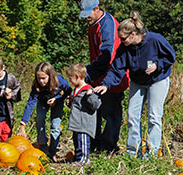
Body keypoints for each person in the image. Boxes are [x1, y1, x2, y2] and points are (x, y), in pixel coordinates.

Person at [93, 11, 176, 158]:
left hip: (157, 81)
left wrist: (158, 65)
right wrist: (106, 84)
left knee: (154, 116)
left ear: (132, 34)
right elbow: (116, 68)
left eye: (122, 38)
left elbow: (170, 57)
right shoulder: (124, 48)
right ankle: (133, 152)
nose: (120, 41)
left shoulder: (155, 40)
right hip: (138, 81)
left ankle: (151, 153)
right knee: (132, 115)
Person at [79, 0, 130, 153]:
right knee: (96, 111)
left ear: (96, 8)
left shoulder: (107, 25)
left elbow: (107, 58)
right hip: (99, 77)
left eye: (88, 14)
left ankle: (109, 148)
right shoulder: (93, 23)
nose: (86, 18)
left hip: (112, 76)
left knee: (110, 113)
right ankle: (97, 145)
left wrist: (87, 75)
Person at [17, 61, 72, 159]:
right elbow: (30, 104)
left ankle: (52, 150)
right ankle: (42, 145)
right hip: (42, 101)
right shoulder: (36, 86)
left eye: (44, 78)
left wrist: (57, 99)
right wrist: (22, 124)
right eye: (39, 78)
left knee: (55, 125)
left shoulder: (59, 80)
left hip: (57, 101)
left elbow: (68, 91)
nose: (41, 81)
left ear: (50, 76)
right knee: (39, 118)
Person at [66, 63, 101, 165]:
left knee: (83, 142)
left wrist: (90, 96)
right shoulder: (75, 90)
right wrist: (69, 102)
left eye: (70, 79)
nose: (70, 81)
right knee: (77, 141)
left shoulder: (89, 90)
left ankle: (84, 159)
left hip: (85, 123)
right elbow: (77, 105)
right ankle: (77, 158)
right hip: (76, 122)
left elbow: (95, 105)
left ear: (77, 77)